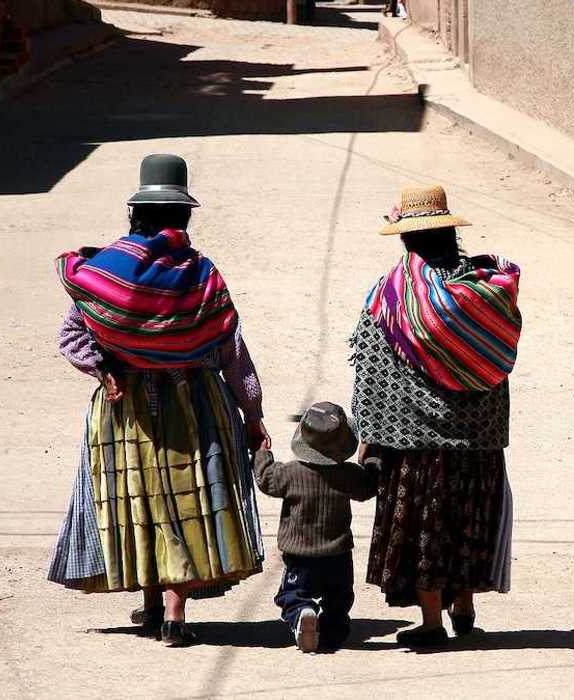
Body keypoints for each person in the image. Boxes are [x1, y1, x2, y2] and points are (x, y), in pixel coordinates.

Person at [47, 154, 269, 647]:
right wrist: (252, 417)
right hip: (196, 407)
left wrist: (104, 370)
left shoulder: (105, 272)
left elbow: (69, 336)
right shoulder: (201, 274)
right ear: (184, 217)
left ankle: (150, 605)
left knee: (138, 503)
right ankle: (173, 613)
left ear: (135, 213)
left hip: (124, 408)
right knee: (188, 506)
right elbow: (232, 351)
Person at [352, 185, 520, 648]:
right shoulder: (486, 291)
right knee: (467, 520)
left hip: (414, 441)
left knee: (426, 526)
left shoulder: (392, 295)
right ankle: (463, 602)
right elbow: (498, 358)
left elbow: (371, 366)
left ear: (405, 240)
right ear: (450, 234)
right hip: (479, 439)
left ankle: (432, 621)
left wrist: (367, 435)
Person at [253, 402, 379, 653]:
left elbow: (265, 479)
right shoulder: (349, 474)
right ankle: (331, 634)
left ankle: (302, 612)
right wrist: (372, 459)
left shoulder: (289, 473)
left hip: (300, 555)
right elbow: (369, 487)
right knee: (338, 602)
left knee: (294, 594)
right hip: (338, 554)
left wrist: (262, 453)